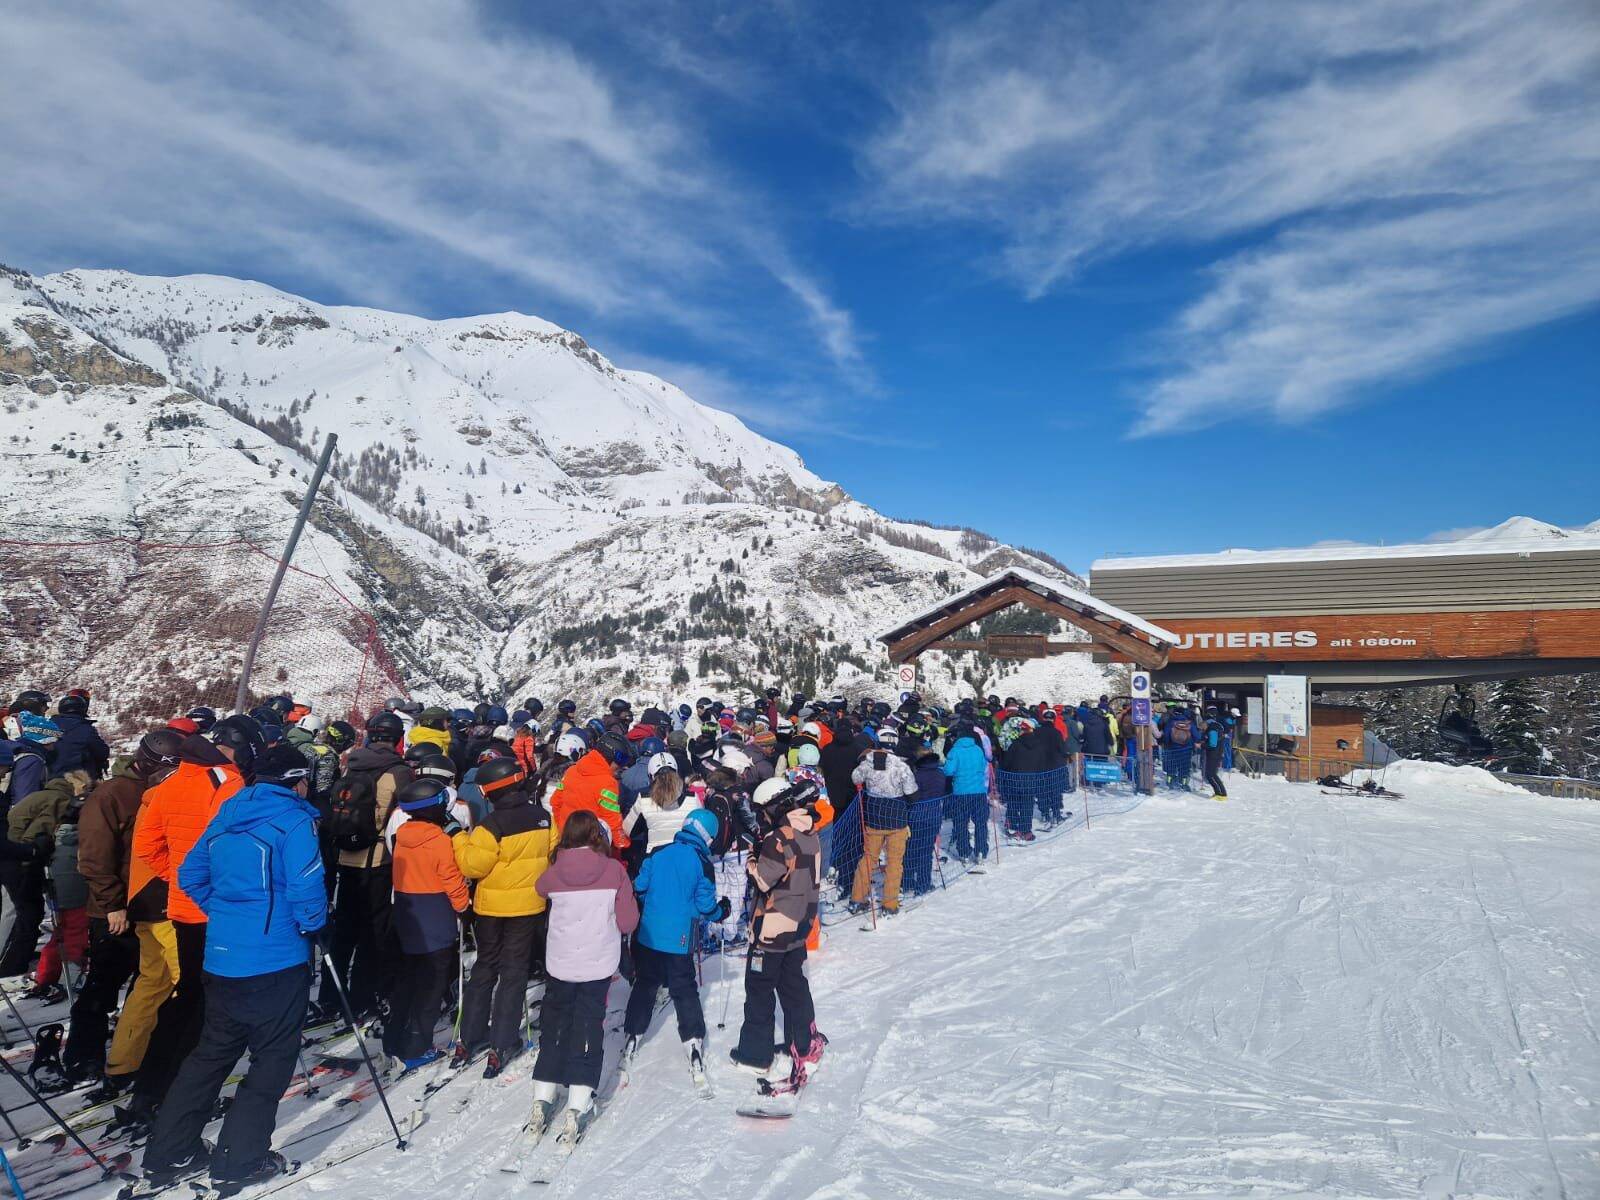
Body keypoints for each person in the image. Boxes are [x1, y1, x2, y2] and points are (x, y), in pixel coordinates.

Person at [138, 745, 326, 1194]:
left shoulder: (228, 811)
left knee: (210, 1056)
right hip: (275, 959)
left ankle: (169, 1153)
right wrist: (312, 927)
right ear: (298, 781)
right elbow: (307, 889)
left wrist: (225, 914)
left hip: (223, 957)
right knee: (270, 1061)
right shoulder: (296, 820)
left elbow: (190, 875)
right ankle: (239, 1161)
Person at [68, 730, 180, 1091]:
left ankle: (128, 1051)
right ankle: (83, 1055)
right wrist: (111, 903)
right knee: (103, 982)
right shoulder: (113, 793)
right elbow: (94, 856)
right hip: (114, 908)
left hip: (145, 903)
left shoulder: (155, 792)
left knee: (145, 982)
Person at [527, 810, 639, 1148]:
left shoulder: (555, 871)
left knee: (556, 1025)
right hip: (597, 963)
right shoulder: (613, 870)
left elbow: (539, 889)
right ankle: (578, 1104)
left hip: (560, 962)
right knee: (590, 1026)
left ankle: (543, 1097)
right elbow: (628, 922)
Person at [453, 757, 553, 1076]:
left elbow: (472, 866)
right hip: (528, 907)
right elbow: (552, 854)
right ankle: (503, 1040)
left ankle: (470, 1036)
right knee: (514, 971)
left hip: (491, 909)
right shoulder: (544, 818)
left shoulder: (490, 826)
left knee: (485, 967)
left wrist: (458, 838)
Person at [622, 808, 728, 1084]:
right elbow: (706, 907)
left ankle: (633, 1034)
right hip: (682, 937)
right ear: (708, 836)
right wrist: (722, 911)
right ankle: (693, 1041)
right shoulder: (702, 863)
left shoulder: (659, 852)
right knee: (684, 988)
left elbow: (640, 886)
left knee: (646, 983)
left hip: (649, 934)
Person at [730, 778, 825, 1087]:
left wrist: (752, 859)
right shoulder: (809, 830)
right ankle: (804, 1040)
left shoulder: (778, 838)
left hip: (772, 930)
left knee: (758, 990)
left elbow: (763, 880)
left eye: (764, 812)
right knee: (794, 987)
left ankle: (755, 1056)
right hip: (798, 925)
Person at [321, 712, 409, 1021]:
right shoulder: (399, 772)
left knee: (344, 929)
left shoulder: (352, 763)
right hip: (379, 859)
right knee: (373, 932)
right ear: (398, 738)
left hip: (347, 856)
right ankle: (361, 997)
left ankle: (330, 996)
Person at [385, 777, 469, 1071]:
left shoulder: (402, 835)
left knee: (407, 981)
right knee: (431, 986)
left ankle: (393, 1040)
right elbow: (451, 880)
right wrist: (464, 907)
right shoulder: (439, 841)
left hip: (407, 915)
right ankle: (416, 1047)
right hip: (435, 916)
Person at [1, 768, 91, 987]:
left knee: (27, 913)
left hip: (16, 854)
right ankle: (15, 964)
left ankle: (27, 965)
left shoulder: (43, 794)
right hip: (28, 860)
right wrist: (33, 850)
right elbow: (45, 830)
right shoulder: (60, 801)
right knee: (29, 914)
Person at [848, 746, 918, 916]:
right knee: (894, 862)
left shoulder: (867, 763)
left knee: (868, 858)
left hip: (874, 817)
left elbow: (855, 778)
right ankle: (890, 904)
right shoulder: (901, 766)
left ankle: (857, 899)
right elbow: (911, 791)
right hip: (896, 818)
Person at [551, 732, 631, 850]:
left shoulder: (571, 771)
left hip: (566, 842)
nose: (622, 766)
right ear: (609, 756)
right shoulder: (607, 783)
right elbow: (612, 820)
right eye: (621, 760)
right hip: (590, 846)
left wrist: (562, 831)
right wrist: (623, 844)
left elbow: (555, 802)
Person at [902, 744, 947, 895]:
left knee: (910, 850)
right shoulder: (940, 774)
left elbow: (910, 796)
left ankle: (907, 881)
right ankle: (923, 882)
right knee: (926, 851)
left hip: (916, 817)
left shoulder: (916, 776)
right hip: (933, 816)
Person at [942, 726, 990, 864]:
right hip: (979, 792)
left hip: (960, 792)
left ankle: (964, 852)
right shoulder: (978, 750)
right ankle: (981, 850)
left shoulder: (955, 751)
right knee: (980, 822)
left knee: (961, 822)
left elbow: (949, 771)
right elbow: (982, 766)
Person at [51, 693, 110, 781]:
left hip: (50, 779)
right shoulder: (85, 729)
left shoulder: (47, 726)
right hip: (79, 780)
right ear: (82, 709)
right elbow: (103, 752)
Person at [1202, 715, 1228, 799]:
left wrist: (1202, 745)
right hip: (1216, 754)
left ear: (1206, 724)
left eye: (1202, 728)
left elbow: (1212, 744)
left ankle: (1221, 794)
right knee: (1212, 774)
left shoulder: (1212, 730)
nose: (1203, 730)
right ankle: (1220, 793)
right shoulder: (1216, 729)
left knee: (1210, 775)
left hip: (1213, 755)